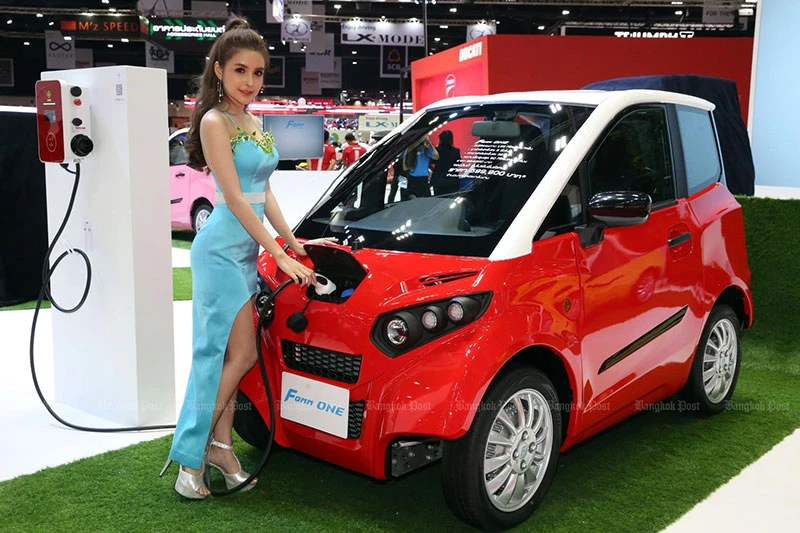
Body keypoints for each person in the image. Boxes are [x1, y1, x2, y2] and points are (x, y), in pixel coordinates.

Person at [159, 16, 334, 499]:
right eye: (240, 70)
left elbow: (264, 192)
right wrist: (278, 252)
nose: (249, 82)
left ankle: (220, 449)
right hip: (219, 251)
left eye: (257, 73)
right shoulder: (215, 121)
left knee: (231, 357)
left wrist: (292, 242)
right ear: (218, 70)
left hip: (245, 250)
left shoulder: (253, 122)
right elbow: (236, 199)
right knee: (231, 355)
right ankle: (190, 455)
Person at [402, 135, 439, 199]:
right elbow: (436, 156)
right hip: (423, 181)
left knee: (412, 201)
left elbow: (405, 167)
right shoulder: (426, 150)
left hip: (412, 181)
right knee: (425, 202)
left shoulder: (408, 150)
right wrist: (429, 142)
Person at [430, 130, 461, 195]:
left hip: (438, 180)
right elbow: (458, 162)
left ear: (440, 140)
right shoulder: (456, 151)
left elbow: (431, 162)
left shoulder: (437, 151)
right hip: (452, 180)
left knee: (438, 198)